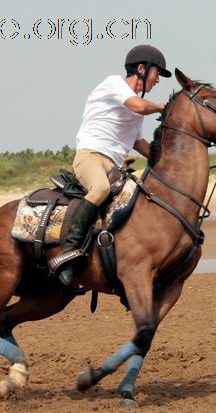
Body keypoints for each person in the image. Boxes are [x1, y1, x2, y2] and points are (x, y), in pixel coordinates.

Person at [57, 44, 172, 290]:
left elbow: (139, 143)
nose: (157, 80)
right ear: (141, 69)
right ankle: (68, 253)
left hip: (115, 165)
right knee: (99, 189)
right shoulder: (114, 84)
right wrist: (165, 107)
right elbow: (139, 106)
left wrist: (166, 156)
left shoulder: (138, 108)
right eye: (156, 74)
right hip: (91, 157)